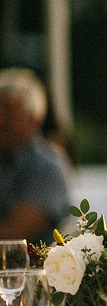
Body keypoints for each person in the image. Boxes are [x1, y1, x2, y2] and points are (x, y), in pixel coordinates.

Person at [0, 68, 69, 243]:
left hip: (31, 268)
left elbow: (14, 235)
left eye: (8, 111)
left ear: (34, 119)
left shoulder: (46, 166)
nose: (0, 119)